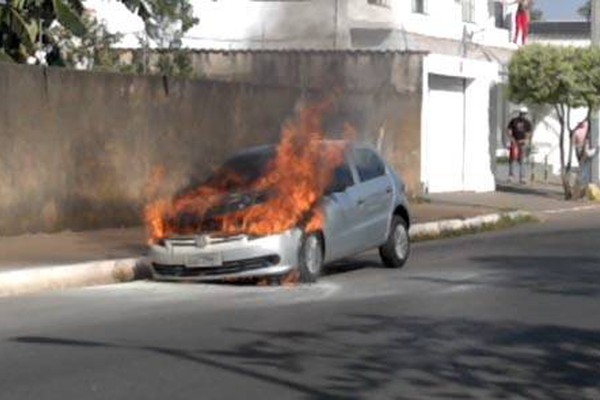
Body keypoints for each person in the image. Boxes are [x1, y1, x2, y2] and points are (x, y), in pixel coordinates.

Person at [507, 107, 533, 183]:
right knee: (512, 159)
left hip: (522, 143)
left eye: (524, 114)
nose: (523, 115)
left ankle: (522, 177)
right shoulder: (514, 121)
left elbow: (528, 133)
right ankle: (511, 176)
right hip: (514, 142)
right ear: (520, 113)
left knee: (522, 160)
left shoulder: (527, 122)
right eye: (522, 113)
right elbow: (509, 130)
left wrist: (525, 140)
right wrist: (511, 138)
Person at [573, 120, 598, 189]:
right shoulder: (586, 130)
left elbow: (574, 143)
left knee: (583, 168)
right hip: (584, 149)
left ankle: (582, 185)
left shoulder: (577, 131)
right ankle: (584, 185)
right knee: (585, 168)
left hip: (580, 149)